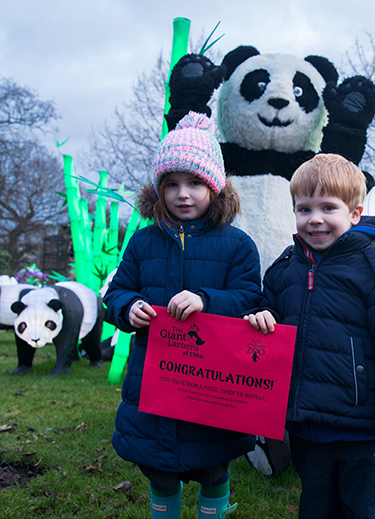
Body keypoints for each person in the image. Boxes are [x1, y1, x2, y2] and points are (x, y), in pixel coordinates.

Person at [245, 153, 375, 518]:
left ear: (355, 213)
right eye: (304, 209)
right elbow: (269, 314)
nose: (315, 219)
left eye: (328, 207)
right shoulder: (285, 268)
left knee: (363, 507)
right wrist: (263, 314)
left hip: (360, 426)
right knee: (315, 504)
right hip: (305, 424)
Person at [103, 112, 262, 519]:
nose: (183, 194)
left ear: (215, 185)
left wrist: (208, 300)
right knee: (158, 469)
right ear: (158, 190)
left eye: (194, 182)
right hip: (152, 377)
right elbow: (119, 290)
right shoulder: (143, 242)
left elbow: (248, 297)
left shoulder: (237, 245)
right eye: (171, 184)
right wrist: (128, 307)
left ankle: (214, 510)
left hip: (212, 381)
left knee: (213, 463)